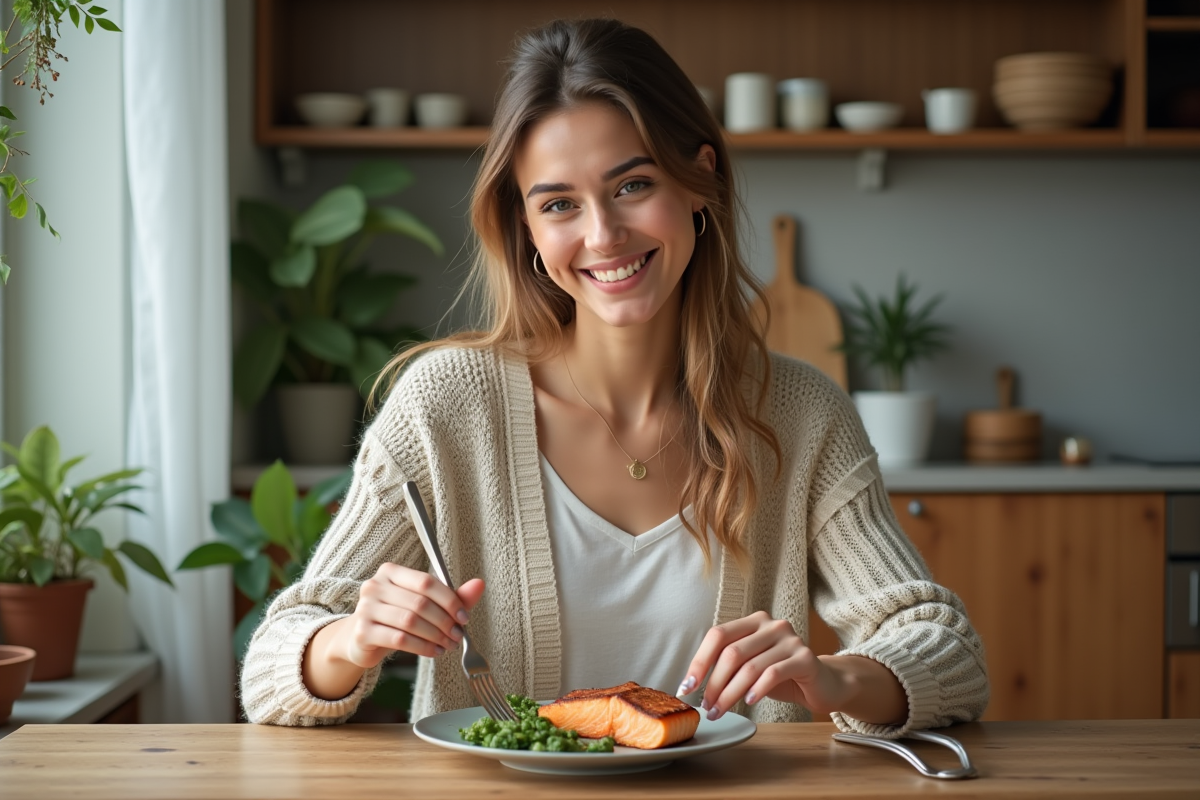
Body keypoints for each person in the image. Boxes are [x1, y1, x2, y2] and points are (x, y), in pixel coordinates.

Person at [241, 18, 988, 736]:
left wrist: (835, 679)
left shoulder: (800, 413)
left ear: (701, 180)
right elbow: (272, 667)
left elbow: (945, 649)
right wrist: (347, 641)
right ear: (528, 228)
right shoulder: (445, 405)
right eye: (560, 204)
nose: (603, 236)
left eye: (632, 185)